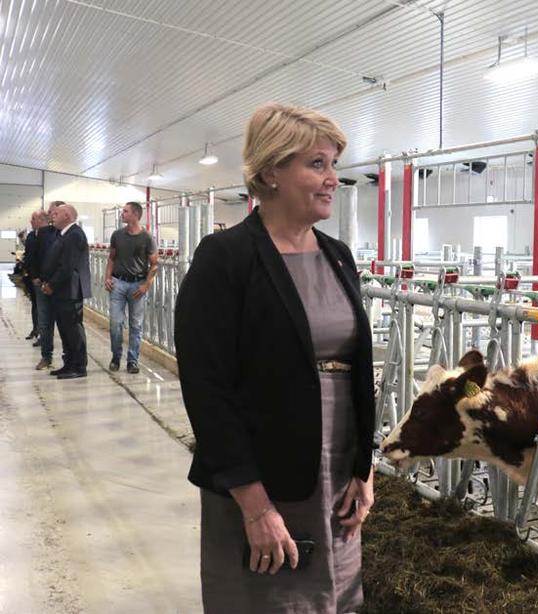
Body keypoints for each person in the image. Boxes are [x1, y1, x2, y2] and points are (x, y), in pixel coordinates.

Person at [175, 103, 376, 613]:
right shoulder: (226, 257)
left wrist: (364, 466)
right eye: (317, 164)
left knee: (339, 596)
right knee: (269, 599)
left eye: (333, 165)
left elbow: (356, 368)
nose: (333, 179)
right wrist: (254, 504)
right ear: (270, 171)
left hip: (336, 470)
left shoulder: (337, 255)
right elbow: (206, 387)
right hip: (264, 474)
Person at [40, 204, 93, 380]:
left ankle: (78, 366)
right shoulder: (65, 234)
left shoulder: (74, 235)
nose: (52, 216)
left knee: (73, 329)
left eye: (56, 214)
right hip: (62, 290)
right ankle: (69, 363)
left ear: (68, 216)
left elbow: (67, 266)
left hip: (69, 290)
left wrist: (51, 284)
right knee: (65, 329)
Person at [105, 201, 158, 373]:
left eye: (125, 211)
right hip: (118, 283)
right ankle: (116, 357)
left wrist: (146, 285)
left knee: (136, 324)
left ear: (135, 214)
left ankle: (132, 361)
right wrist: (107, 277)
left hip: (137, 285)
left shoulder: (147, 238)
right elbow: (112, 258)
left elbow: (154, 265)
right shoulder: (117, 235)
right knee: (115, 323)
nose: (122, 214)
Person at [31, 203, 62, 369]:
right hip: (43, 284)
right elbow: (34, 256)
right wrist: (36, 277)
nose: (51, 215)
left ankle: (72, 360)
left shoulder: (69, 234)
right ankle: (46, 356)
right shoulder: (42, 233)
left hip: (62, 285)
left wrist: (55, 282)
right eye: (50, 213)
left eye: (53, 212)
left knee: (66, 323)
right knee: (45, 321)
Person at [22, 211, 46, 340]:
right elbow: (29, 255)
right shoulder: (31, 236)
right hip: (32, 276)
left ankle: (44, 334)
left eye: (33, 219)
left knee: (44, 308)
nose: (31, 221)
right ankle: (35, 329)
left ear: (41, 220)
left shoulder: (49, 235)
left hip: (42, 278)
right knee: (35, 305)